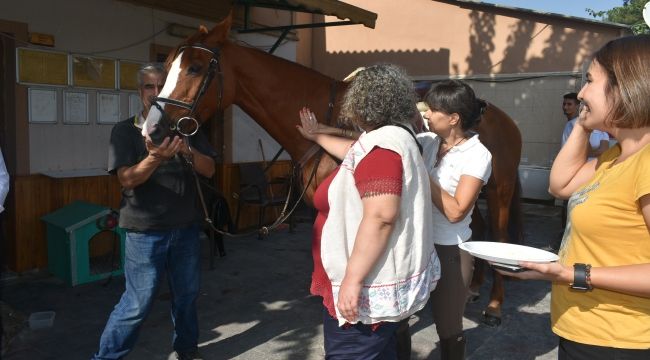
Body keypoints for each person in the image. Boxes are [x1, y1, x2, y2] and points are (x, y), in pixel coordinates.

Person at [500, 35, 650, 359]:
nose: (580, 93)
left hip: (620, 343)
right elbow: (561, 185)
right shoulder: (615, 156)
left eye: (590, 81)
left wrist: (571, 274)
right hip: (584, 331)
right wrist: (583, 123)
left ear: (627, 86)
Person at [296, 64, 440, 359]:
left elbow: (380, 217)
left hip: (368, 288)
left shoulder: (382, 147)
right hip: (376, 281)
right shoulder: (396, 136)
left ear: (360, 103)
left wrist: (352, 280)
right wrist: (317, 136)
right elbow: (355, 152)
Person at [92, 63, 217, 360]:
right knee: (136, 304)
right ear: (140, 92)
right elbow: (127, 179)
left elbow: (210, 170)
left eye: (162, 85)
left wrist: (188, 150)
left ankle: (186, 351)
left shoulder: (187, 126)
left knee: (186, 297)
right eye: (150, 86)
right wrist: (154, 158)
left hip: (185, 228)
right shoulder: (125, 130)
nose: (157, 92)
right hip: (144, 232)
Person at [417, 80, 492, 359]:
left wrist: (421, 173)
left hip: (450, 248)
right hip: (419, 242)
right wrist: (321, 133)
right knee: (399, 318)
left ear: (453, 118)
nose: (426, 114)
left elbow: (456, 210)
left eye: (433, 109)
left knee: (448, 327)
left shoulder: (477, 155)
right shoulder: (428, 142)